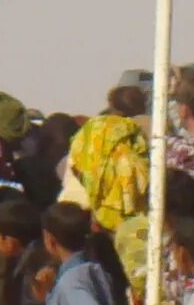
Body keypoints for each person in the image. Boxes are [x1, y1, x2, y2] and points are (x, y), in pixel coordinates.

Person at [63, 85, 152, 232]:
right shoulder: (163, 126)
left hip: (110, 212)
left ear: (115, 109)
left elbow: (82, 170)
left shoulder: (104, 132)